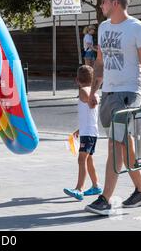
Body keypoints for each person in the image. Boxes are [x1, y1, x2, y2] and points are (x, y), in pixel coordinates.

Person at [85, 0, 141, 216]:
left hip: (128, 93)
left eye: (104, 2)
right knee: (125, 145)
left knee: (114, 145)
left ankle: (105, 199)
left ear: (115, 3)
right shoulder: (104, 28)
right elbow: (99, 61)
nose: (101, 6)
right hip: (108, 93)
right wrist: (94, 90)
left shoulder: (138, 29)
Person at [63, 65, 103, 201]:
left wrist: (92, 100)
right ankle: (96, 185)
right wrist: (80, 130)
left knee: (81, 160)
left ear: (77, 80)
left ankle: (79, 189)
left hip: (89, 133)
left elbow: (91, 103)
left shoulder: (84, 91)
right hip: (90, 132)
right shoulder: (92, 91)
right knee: (89, 159)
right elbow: (89, 114)